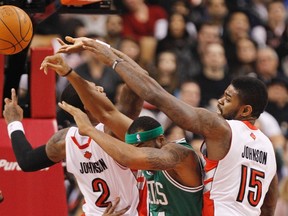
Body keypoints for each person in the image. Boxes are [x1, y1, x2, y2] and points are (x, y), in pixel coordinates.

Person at [57, 37, 278, 215]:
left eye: (228, 98)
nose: (220, 100)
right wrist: (104, 50)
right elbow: (268, 207)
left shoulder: (221, 129)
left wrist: (110, 59)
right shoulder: (269, 150)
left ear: (245, 110)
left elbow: (155, 94)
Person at [40, 53, 204, 215]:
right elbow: (107, 114)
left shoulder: (179, 155)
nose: (136, 149)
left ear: (160, 140)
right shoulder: (141, 171)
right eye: (134, 145)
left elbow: (127, 151)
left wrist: (105, 54)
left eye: (142, 146)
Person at [3, 83, 142, 215]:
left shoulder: (64, 140)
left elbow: (27, 160)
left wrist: (14, 122)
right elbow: (135, 87)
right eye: (95, 88)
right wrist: (115, 60)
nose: (101, 88)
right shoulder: (113, 131)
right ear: (87, 104)